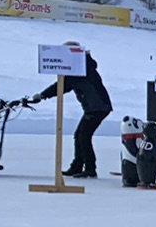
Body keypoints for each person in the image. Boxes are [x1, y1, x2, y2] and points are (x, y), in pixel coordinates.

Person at [32, 46, 111, 177]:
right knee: (80, 135)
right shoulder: (83, 67)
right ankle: (78, 166)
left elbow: (62, 85)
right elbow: (64, 84)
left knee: (83, 136)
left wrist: (43, 95)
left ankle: (89, 169)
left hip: (97, 107)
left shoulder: (81, 69)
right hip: (96, 107)